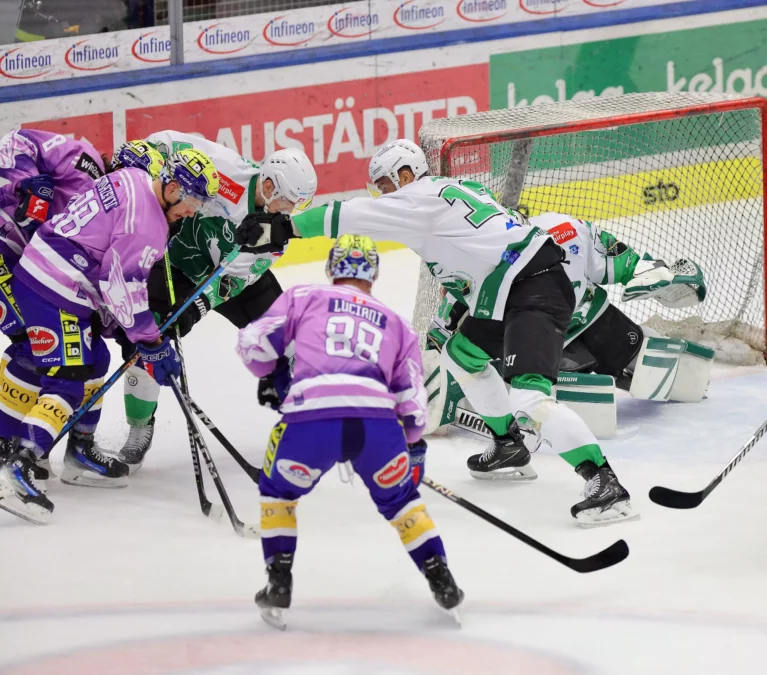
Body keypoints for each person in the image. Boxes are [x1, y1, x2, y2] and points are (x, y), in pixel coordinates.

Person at [273, 140, 645, 526]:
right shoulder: (450, 194)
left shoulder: (417, 197)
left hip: (532, 287)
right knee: (462, 354)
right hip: (507, 288)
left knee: (530, 399)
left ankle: (604, 482)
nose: (383, 197)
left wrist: (286, 226)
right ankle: (508, 445)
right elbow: (481, 258)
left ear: (405, 175)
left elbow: (351, 213)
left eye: (385, 185)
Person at [236, 235, 462, 629]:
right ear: (373, 273)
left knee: (279, 493)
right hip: (375, 426)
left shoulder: (303, 295)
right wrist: (410, 444)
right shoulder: (398, 324)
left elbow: (254, 345)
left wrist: (271, 373)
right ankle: (441, 578)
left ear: (331, 269)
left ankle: (278, 583)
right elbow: (412, 404)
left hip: (312, 420)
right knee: (402, 503)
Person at [0, 148, 221, 524]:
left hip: (48, 273)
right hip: (56, 291)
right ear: (171, 187)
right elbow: (121, 286)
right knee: (68, 382)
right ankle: (19, 465)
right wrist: (150, 342)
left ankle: (79, 452)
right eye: (192, 200)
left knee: (97, 358)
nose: (193, 210)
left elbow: (101, 252)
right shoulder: (148, 222)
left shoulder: (131, 179)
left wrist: (132, 332)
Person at [109, 132, 317, 472]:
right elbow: (169, 143)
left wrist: (194, 310)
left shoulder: (275, 235)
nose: (291, 212)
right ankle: (139, 429)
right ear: (268, 186)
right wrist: (147, 155)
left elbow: (229, 281)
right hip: (175, 262)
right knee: (148, 342)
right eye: (290, 202)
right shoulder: (226, 168)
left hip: (224, 276)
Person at [424, 212, 709, 434]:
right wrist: (431, 388)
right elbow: (440, 340)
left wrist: (653, 274)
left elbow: (623, 262)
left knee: (645, 357)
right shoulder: (477, 267)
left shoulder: (566, 230)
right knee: (531, 391)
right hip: (536, 344)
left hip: (592, 320)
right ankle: (548, 400)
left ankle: (641, 351)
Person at [0, 130, 108, 467]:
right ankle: (7, 444)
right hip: (6, 258)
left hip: (41, 271)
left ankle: (72, 446)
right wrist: (24, 182)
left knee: (90, 351)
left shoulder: (136, 223)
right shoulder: (85, 163)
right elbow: (20, 140)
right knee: (32, 347)